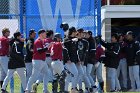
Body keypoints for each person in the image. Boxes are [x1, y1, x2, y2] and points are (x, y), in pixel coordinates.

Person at [64, 27, 78, 93]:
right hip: (68, 61)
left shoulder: (74, 40)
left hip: (73, 60)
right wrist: (67, 59)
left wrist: (77, 60)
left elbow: (75, 52)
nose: (76, 33)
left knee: (68, 76)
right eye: (75, 32)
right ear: (72, 32)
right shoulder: (67, 39)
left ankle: (65, 89)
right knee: (75, 73)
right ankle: (73, 89)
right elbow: (65, 49)